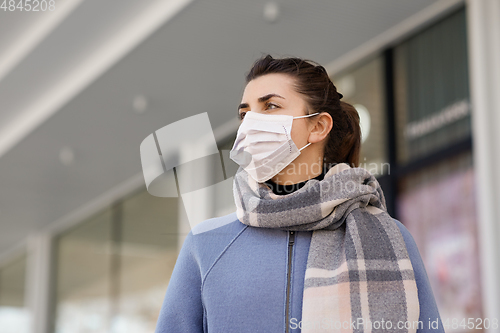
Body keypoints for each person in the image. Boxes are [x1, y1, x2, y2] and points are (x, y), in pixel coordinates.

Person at [154, 55, 445, 333]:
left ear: (318, 126)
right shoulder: (206, 244)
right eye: (244, 113)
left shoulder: (389, 237)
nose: (250, 124)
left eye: (269, 106)